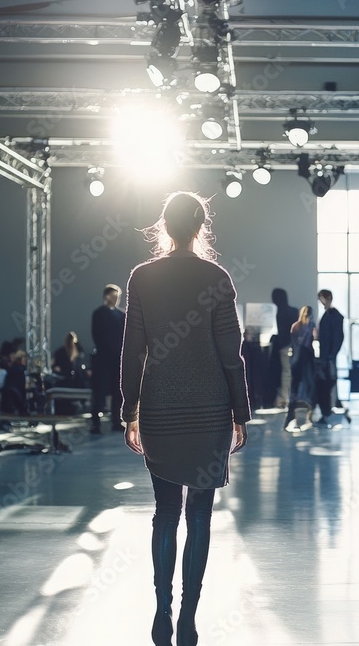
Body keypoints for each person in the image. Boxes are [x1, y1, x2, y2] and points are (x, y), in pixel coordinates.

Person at [120, 191, 249, 646]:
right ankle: (190, 618)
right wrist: (240, 412)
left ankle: (162, 612)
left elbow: (133, 350)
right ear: (200, 226)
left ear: (164, 226)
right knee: (199, 515)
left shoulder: (142, 277)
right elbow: (231, 354)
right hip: (210, 409)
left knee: (164, 513)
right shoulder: (216, 276)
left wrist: (129, 409)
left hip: (160, 409)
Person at [91, 284, 125, 433]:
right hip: (104, 359)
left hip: (116, 359)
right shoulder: (99, 313)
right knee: (99, 391)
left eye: (117, 296)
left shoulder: (121, 315)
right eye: (113, 296)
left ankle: (116, 421)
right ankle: (95, 423)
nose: (116, 299)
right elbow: (98, 335)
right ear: (106, 296)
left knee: (117, 391)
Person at [314, 289, 345, 426]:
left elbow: (337, 337)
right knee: (325, 384)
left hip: (327, 357)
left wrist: (331, 355)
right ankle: (326, 412)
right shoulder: (329, 315)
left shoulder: (334, 315)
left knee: (326, 385)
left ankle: (327, 412)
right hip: (326, 356)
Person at [284, 305, 316, 430]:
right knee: (310, 388)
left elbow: (293, 343)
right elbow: (309, 343)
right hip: (307, 360)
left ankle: (290, 417)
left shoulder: (295, 326)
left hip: (296, 360)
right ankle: (309, 417)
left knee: (294, 390)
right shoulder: (311, 326)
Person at [269, 287, 298, 409]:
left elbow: (283, 332)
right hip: (293, 346)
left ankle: (283, 399)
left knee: (285, 373)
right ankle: (290, 398)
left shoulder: (280, 312)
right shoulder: (294, 311)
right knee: (290, 373)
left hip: (284, 346)